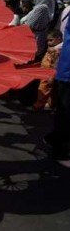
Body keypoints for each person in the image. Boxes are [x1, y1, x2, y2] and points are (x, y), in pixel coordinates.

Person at [44, 19, 70, 168]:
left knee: (64, 112)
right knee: (66, 113)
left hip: (66, 69)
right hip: (67, 72)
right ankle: (60, 151)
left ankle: (55, 141)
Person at [33, 29, 63, 111]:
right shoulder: (52, 48)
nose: (48, 43)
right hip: (45, 72)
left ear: (59, 39)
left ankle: (39, 105)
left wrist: (51, 76)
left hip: (48, 74)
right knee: (49, 90)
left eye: (51, 40)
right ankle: (50, 104)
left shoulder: (56, 51)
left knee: (43, 89)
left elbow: (55, 64)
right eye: (47, 41)